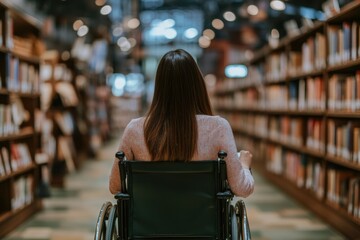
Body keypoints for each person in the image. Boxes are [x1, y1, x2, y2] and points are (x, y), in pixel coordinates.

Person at [109, 49, 254, 197]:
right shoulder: (218, 127)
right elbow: (242, 189)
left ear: (158, 87)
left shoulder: (135, 129)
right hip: (203, 218)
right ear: (197, 85)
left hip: (148, 218)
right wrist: (244, 164)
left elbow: (115, 186)